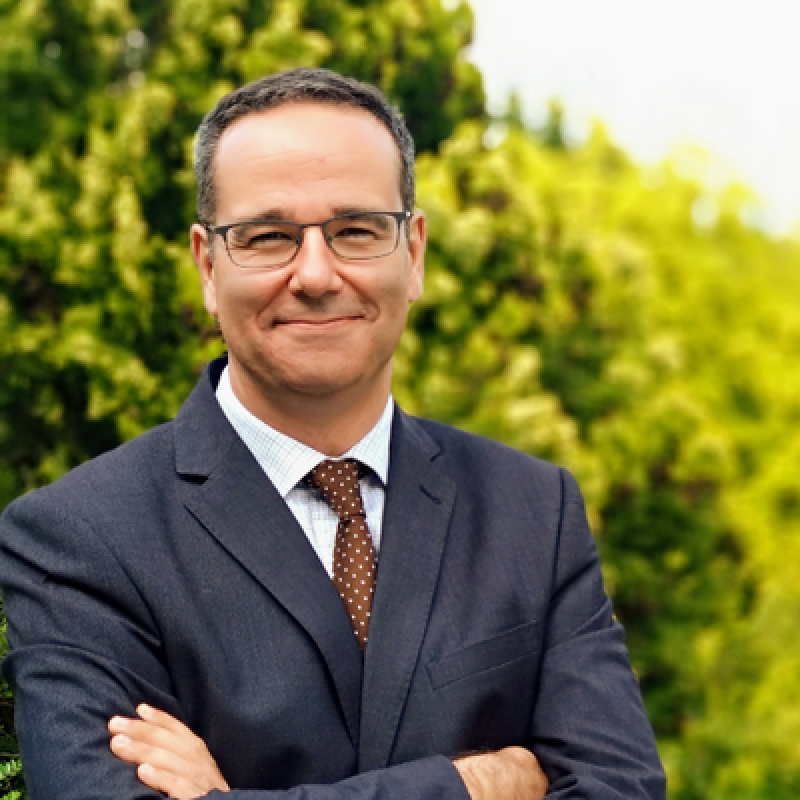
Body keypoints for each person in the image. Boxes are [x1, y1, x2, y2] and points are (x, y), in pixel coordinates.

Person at [0, 68, 666, 800]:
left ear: (413, 253)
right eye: (267, 236)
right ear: (208, 266)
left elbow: (620, 789)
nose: (315, 275)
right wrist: (476, 783)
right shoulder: (80, 539)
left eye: (356, 231)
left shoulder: (535, 512)